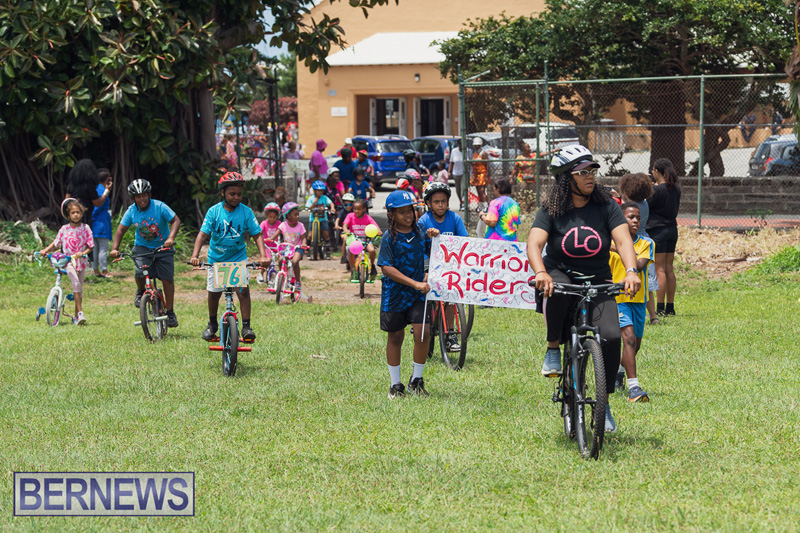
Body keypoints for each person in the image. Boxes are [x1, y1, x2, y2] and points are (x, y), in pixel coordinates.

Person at [527, 145, 641, 433]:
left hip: (598, 278)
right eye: (583, 172)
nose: (591, 176)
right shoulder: (552, 209)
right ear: (567, 177)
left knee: (612, 337)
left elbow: (625, 241)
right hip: (560, 273)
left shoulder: (606, 206)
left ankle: (604, 403)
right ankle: (554, 347)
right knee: (555, 290)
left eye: (593, 170)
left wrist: (630, 270)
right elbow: (534, 243)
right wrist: (541, 272)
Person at [190, 172, 267, 342]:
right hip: (216, 259)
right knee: (214, 293)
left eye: (239, 194)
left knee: (243, 291)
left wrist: (263, 255)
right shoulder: (214, 212)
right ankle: (212, 325)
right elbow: (202, 235)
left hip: (238, 258)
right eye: (232, 194)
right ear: (222, 193)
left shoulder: (246, 212)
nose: (236, 197)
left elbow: (257, 234)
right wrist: (195, 256)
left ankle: (246, 326)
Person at [377, 189, 440, 399]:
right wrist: (414, 283)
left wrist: (435, 238)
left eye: (410, 211)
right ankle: (395, 384)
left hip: (418, 294)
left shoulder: (421, 233)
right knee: (395, 336)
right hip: (394, 295)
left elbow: (436, 254)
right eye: (401, 212)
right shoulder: (388, 238)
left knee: (423, 333)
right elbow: (386, 268)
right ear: (391, 215)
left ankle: (417, 380)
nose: (408, 215)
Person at [110, 179, 181, 328]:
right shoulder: (131, 211)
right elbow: (120, 230)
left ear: (149, 195)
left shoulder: (159, 207)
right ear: (133, 198)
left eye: (144, 195)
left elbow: (175, 220)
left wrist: (170, 238)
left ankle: (170, 312)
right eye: (137, 196)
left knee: (167, 279)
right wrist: (114, 248)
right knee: (139, 273)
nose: (141, 199)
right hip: (142, 247)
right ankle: (141, 291)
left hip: (163, 247)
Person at [609, 202, 654, 402]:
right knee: (627, 338)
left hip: (638, 300)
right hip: (618, 299)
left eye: (637, 217)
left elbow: (637, 265)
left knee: (635, 345)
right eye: (630, 217)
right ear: (621, 220)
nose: (636, 220)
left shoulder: (646, 243)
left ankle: (619, 372)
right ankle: (634, 388)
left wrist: (618, 248)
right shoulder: (609, 244)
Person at [419, 181, 467, 352]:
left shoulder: (455, 218)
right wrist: (427, 235)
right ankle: (421, 320)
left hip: (449, 263)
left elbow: (464, 241)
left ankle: (450, 334)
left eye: (443, 201)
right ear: (429, 204)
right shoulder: (424, 220)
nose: (440, 205)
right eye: (436, 202)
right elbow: (418, 245)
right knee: (422, 284)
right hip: (428, 262)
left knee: (450, 297)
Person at [39, 198, 94, 325]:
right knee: (75, 283)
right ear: (68, 215)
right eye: (73, 213)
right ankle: (81, 313)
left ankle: (76, 317)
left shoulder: (86, 228)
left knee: (79, 289)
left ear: (81, 213)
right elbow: (56, 243)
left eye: (78, 212)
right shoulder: (64, 229)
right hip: (68, 262)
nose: (76, 215)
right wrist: (45, 250)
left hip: (81, 262)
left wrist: (83, 253)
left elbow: (91, 246)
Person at [618, 172, 658, 324]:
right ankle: (653, 316)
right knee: (648, 283)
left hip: (634, 242)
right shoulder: (644, 203)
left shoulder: (630, 208)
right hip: (645, 238)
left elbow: (624, 208)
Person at [646, 158, 681, 317]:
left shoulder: (656, 191)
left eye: (653, 170)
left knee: (659, 268)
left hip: (657, 231)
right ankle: (670, 306)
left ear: (657, 171)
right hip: (672, 230)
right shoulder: (676, 188)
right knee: (669, 267)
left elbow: (648, 205)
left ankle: (659, 307)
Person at [343, 199, 382, 281]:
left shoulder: (367, 218)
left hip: (366, 239)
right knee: (351, 251)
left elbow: (375, 226)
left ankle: (372, 265)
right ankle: (353, 271)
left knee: (372, 250)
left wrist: (378, 231)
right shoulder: (350, 216)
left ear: (364, 209)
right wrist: (346, 229)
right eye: (355, 209)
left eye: (359, 209)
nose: (356, 211)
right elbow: (345, 224)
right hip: (355, 240)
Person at [272, 202, 306, 290]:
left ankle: (297, 281)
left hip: (297, 248)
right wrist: (270, 239)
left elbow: (303, 238)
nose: (298, 216)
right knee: (280, 260)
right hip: (287, 248)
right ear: (288, 216)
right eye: (295, 215)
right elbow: (276, 234)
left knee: (295, 262)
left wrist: (304, 244)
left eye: (298, 214)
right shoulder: (283, 225)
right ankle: (283, 274)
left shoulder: (300, 226)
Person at [65, 158, 105, 225]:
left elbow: (66, 200)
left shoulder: (72, 184)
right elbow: (97, 203)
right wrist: (106, 192)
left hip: (71, 217)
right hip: (84, 216)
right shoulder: (90, 186)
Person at [91, 168, 113, 277]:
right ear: (108, 179)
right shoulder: (103, 191)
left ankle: (95, 270)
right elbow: (98, 206)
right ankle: (104, 270)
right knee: (103, 248)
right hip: (101, 223)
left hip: (93, 223)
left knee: (94, 248)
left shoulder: (95, 189)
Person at [305, 180, 335, 259]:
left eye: (322, 190)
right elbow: (308, 207)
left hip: (323, 219)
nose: (320, 192)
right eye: (319, 190)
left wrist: (332, 208)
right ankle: (307, 250)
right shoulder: (311, 198)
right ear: (314, 190)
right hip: (313, 219)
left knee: (326, 235)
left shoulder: (324, 198)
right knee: (310, 235)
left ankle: (328, 251)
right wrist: (314, 203)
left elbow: (330, 203)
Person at [257, 202, 282, 284]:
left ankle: (281, 273)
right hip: (266, 247)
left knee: (281, 257)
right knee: (267, 261)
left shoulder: (279, 224)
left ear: (277, 217)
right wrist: (258, 238)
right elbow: (259, 232)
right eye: (270, 217)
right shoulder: (264, 223)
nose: (272, 219)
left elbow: (283, 231)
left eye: (274, 217)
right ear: (267, 216)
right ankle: (260, 274)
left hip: (275, 245)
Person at [335, 193, 356, 268]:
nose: (348, 206)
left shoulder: (355, 212)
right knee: (345, 240)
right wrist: (336, 225)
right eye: (346, 204)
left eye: (350, 205)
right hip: (345, 231)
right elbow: (338, 219)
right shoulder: (342, 211)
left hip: (354, 231)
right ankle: (343, 256)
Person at [470, 137, 490, 208]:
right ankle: (481, 205)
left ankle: (486, 206)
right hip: (476, 174)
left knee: (482, 191)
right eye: (475, 145)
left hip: (482, 174)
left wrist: (487, 175)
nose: (476, 146)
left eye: (478, 145)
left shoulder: (483, 153)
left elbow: (487, 164)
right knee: (478, 191)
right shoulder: (475, 153)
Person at [448, 139, 465, 210]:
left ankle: (463, 204)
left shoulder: (467, 151)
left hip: (464, 173)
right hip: (456, 173)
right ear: (458, 144)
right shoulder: (454, 151)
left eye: (462, 143)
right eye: (460, 143)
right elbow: (451, 162)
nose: (461, 145)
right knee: (458, 190)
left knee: (463, 189)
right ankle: (461, 202)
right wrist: (449, 172)